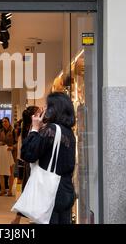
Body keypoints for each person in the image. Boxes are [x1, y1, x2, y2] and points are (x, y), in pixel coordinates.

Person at [20, 92, 76, 224]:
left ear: (54, 109)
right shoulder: (68, 132)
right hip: (66, 189)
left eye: (47, 105)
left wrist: (34, 128)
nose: (44, 108)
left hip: (50, 191)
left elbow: (27, 154)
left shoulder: (51, 130)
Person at [11, 106, 39, 224]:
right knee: (29, 189)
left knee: (27, 189)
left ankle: (18, 218)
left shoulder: (27, 129)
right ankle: (21, 217)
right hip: (34, 164)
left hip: (30, 163)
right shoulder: (32, 130)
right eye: (38, 112)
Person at [0, 117, 16, 196]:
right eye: (3, 122)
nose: (4, 123)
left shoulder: (13, 131)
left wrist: (12, 147)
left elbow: (17, 143)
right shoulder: (0, 131)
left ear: (9, 122)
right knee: (0, 172)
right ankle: (3, 189)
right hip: (2, 154)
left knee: (10, 173)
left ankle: (10, 191)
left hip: (11, 154)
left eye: (5, 121)